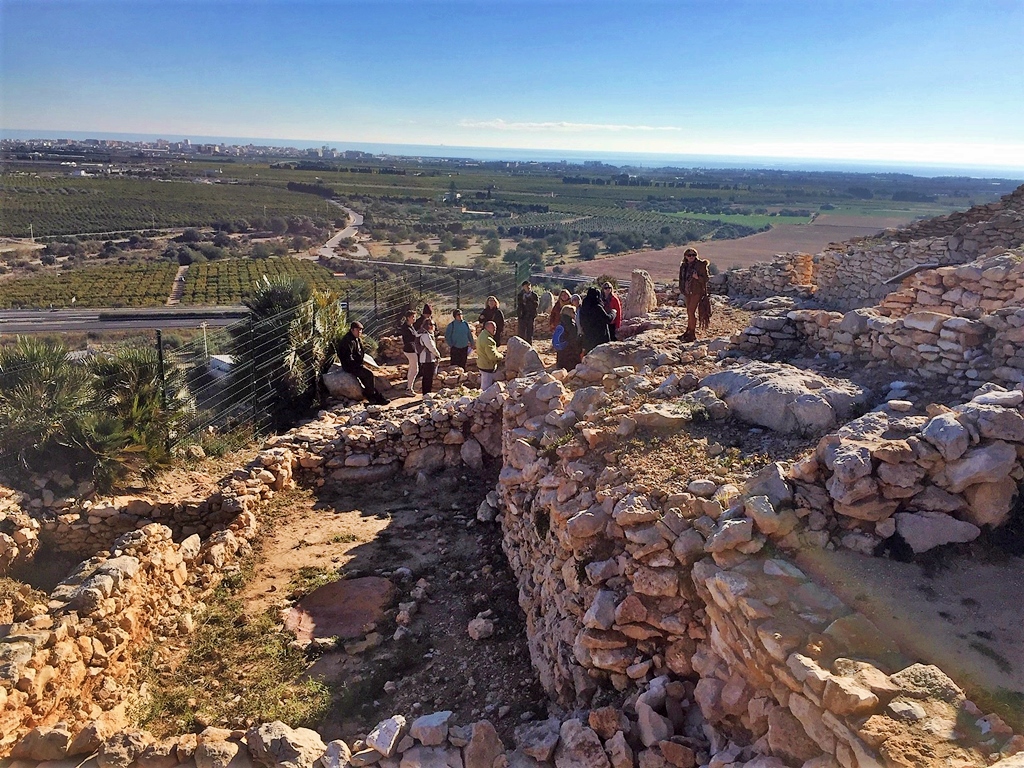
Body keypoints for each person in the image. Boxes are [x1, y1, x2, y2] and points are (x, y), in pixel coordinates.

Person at [336, 321, 388, 405]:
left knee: (367, 378)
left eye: (361, 330)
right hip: (350, 366)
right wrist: (357, 364)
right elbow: (347, 357)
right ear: (352, 330)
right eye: (358, 330)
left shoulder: (356, 339)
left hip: (357, 364)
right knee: (369, 374)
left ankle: (375, 396)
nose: (360, 332)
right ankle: (371, 396)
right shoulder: (347, 341)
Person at [678, 247, 712, 342]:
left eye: (693, 255)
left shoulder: (701, 265)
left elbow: (706, 279)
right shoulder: (684, 266)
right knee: (689, 311)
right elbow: (681, 278)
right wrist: (682, 289)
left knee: (691, 311)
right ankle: (688, 331)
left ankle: (692, 333)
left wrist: (697, 277)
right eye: (689, 255)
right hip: (687, 292)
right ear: (686, 256)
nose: (691, 257)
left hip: (697, 292)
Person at [579, 286, 614, 354]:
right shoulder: (597, 307)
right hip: (599, 338)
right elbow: (607, 319)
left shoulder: (583, 308)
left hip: (588, 338)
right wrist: (613, 313)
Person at [553, 303, 583, 372]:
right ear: (569, 313)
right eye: (573, 312)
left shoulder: (561, 322)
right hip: (570, 353)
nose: (575, 314)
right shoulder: (571, 324)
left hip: (561, 351)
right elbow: (573, 339)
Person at [476, 320, 503, 391]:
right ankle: (482, 401)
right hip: (487, 366)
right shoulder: (488, 340)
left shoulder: (482, 335)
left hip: (482, 363)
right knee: (486, 388)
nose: (495, 330)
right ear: (487, 328)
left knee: (484, 384)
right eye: (493, 328)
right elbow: (492, 356)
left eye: (495, 328)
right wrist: (501, 356)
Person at [416, 317, 441, 395]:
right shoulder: (425, 335)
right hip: (428, 359)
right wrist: (438, 354)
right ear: (429, 325)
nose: (434, 326)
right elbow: (431, 347)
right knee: (428, 378)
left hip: (425, 359)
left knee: (427, 377)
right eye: (433, 324)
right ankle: (427, 394)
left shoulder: (423, 333)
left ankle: (426, 394)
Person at [399, 310, 418, 395]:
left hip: (411, 349)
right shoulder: (406, 328)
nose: (414, 318)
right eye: (413, 317)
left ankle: (409, 387)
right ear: (408, 318)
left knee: (412, 368)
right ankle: (409, 389)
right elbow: (411, 338)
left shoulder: (411, 326)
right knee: (415, 369)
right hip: (410, 350)